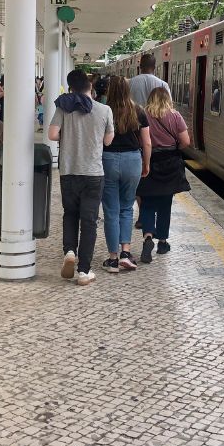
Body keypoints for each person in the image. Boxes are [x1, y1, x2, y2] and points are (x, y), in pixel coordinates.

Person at [48, 69, 114, 286]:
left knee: (70, 214)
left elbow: (52, 135)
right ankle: (84, 271)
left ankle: (69, 251)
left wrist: (69, 133)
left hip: (69, 170)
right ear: (90, 87)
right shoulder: (104, 110)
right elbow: (107, 142)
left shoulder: (64, 107)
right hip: (93, 173)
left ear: (71, 89)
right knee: (89, 221)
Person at [100, 75, 151, 274]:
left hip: (108, 160)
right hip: (132, 161)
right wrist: (146, 163)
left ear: (110, 91)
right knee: (127, 208)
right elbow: (146, 142)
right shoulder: (138, 111)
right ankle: (125, 253)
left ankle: (113, 259)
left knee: (111, 209)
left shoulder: (104, 111)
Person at [136, 88, 191, 262]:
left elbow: (140, 140)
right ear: (168, 98)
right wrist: (174, 148)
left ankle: (148, 237)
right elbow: (186, 142)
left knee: (147, 202)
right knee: (165, 204)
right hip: (170, 163)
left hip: (149, 161)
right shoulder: (175, 116)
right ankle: (162, 242)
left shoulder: (143, 114)